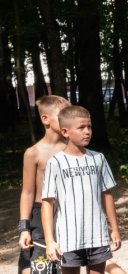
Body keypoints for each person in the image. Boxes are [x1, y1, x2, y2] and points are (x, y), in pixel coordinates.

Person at [41, 105, 122, 273]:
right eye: (81, 127)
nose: (87, 131)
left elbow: (106, 194)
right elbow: (47, 203)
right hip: (68, 238)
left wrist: (114, 228)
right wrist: (49, 240)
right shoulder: (55, 163)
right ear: (65, 132)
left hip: (97, 235)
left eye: (89, 127)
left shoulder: (98, 159)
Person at [18, 95, 70, 274]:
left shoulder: (74, 148)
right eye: (62, 115)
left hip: (68, 212)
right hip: (40, 215)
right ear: (45, 119)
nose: (67, 120)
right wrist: (24, 229)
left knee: (67, 263)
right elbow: (27, 192)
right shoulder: (33, 153)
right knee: (39, 267)